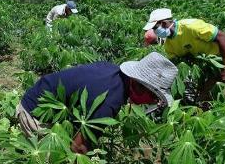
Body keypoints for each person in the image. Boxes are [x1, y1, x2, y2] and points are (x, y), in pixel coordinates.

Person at [17, 52, 178, 154]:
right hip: (34, 112)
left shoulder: (113, 71)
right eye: (155, 97)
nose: (154, 102)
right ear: (141, 87)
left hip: (48, 101)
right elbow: (77, 148)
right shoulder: (108, 101)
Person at [143, 8, 225, 99]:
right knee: (206, 98)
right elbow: (174, 66)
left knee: (224, 98)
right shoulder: (169, 45)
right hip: (204, 69)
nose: (155, 32)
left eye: (155, 28)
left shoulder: (191, 26)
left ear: (163, 23)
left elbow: (223, 38)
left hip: (222, 63)